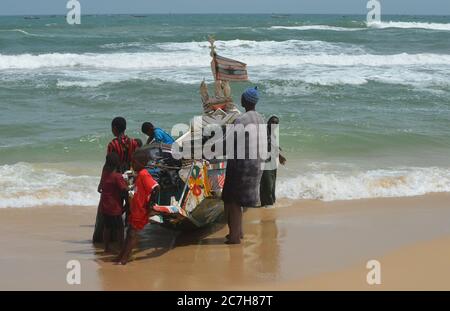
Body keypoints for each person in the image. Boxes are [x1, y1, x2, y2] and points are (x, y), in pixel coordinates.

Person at [221, 86, 265, 245]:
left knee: (231, 201)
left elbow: (226, 144)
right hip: (256, 166)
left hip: (241, 167)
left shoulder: (241, 119)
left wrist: (209, 148)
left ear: (244, 101)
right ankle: (238, 233)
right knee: (238, 201)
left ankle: (234, 237)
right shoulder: (261, 118)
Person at [93, 117, 140, 244]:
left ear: (114, 128)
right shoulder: (133, 143)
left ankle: (111, 240)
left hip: (116, 180)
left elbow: (108, 165)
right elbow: (136, 162)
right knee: (129, 208)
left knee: (115, 209)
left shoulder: (112, 144)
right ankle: (129, 238)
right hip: (130, 179)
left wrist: (101, 183)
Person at [116, 149, 160, 265]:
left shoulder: (144, 174)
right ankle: (122, 255)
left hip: (141, 210)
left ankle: (124, 259)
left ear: (140, 163)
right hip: (135, 209)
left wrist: (150, 205)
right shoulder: (139, 174)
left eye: (133, 163)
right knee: (130, 232)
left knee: (132, 234)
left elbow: (156, 187)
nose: (131, 165)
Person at [98, 152, 128, 253]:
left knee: (107, 227)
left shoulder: (105, 174)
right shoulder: (117, 176)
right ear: (117, 163)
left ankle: (106, 247)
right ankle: (121, 246)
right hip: (114, 207)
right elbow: (124, 189)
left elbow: (100, 188)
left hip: (105, 205)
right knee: (120, 228)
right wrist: (132, 187)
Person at [260, 116, 286, 207]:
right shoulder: (263, 133)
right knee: (267, 184)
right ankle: (267, 206)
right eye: (272, 122)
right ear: (268, 123)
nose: (274, 124)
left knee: (272, 184)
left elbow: (273, 147)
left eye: (276, 123)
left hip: (272, 163)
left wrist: (280, 156)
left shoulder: (273, 134)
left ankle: (270, 204)